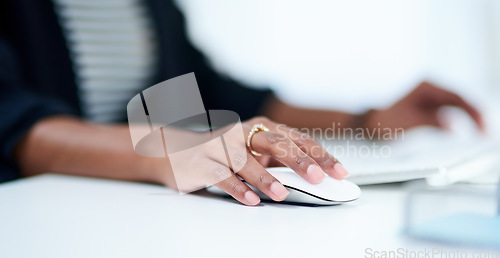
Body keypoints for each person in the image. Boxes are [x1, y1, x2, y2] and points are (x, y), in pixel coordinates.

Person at [0, 0, 484, 205]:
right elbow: (14, 119)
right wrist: (175, 151)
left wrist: (369, 120)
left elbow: (218, 94)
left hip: (124, 208)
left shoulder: (152, 6)